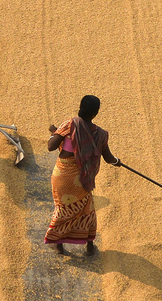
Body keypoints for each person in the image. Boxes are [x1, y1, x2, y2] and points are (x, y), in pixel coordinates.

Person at [44, 95, 119, 256]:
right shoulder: (101, 134)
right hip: (83, 179)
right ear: (95, 113)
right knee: (87, 209)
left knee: (64, 209)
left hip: (63, 176)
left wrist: (54, 132)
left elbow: (51, 146)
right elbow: (108, 158)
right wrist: (117, 161)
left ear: (80, 107)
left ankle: (57, 244)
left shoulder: (70, 124)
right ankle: (90, 246)